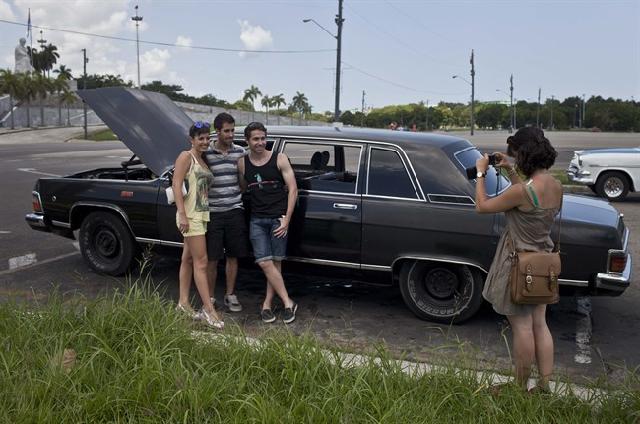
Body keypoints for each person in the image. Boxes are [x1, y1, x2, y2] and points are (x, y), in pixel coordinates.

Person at [474, 126, 561, 393]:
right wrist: (510, 171)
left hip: (518, 266)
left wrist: (480, 172)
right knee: (539, 324)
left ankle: (520, 388)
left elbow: (482, 206)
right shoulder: (556, 185)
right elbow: (527, 198)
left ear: (524, 155)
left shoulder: (522, 192)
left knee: (522, 328)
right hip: (542, 264)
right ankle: (544, 387)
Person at [238, 122, 299, 324]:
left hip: (278, 220)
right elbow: (241, 188)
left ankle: (266, 304)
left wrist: (287, 220)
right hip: (257, 219)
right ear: (247, 141)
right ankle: (288, 301)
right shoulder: (242, 163)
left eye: (263, 138)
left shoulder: (279, 158)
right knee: (265, 262)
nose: (260, 142)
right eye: (256, 139)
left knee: (274, 264)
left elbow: (293, 189)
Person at [174, 121, 223, 329]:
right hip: (190, 216)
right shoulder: (186, 156)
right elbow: (176, 184)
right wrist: (183, 215)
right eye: (200, 138)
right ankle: (209, 311)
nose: (205, 142)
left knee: (187, 259)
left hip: (201, 215)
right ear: (191, 140)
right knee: (201, 263)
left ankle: (183, 303)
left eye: (207, 138)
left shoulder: (203, 160)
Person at [204, 112, 250, 312]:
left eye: (233, 130)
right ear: (217, 132)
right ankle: (210, 298)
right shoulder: (206, 153)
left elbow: (243, 185)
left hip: (234, 210)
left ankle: (230, 295)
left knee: (233, 256)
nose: (231, 134)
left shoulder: (240, 152)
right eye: (227, 131)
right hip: (212, 212)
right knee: (212, 258)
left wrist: (242, 176)